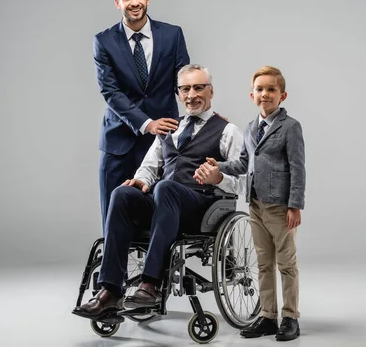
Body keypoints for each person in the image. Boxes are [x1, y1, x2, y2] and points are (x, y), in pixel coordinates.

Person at [72, 64, 244, 319]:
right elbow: (148, 169)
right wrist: (141, 181)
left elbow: (243, 181)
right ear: (178, 94)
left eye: (199, 87)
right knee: (122, 193)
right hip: (163, 203)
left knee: (165, 188)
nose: (191, 94)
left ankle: (150, 284)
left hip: (201, 207)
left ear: (211, 91)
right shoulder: (170, 129)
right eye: (185, 89)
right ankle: (110, 291)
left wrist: (219, 177)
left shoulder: (228, 131)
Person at [194, 65, 306, 341]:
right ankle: (268, 316)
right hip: (255, 204)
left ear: (283, 95)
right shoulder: (251, 127)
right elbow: (243, 163)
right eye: (260, 89)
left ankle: (290, 317)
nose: (265, 94)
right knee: (264, 263)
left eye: (271, 89)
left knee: (286, 264)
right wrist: (218, 164)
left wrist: (295, 205)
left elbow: (298, 167)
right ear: (252, 95)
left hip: (280, 206)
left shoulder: (290, 127)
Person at [95, 0, 190, 233]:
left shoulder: (172, 35)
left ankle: (153, 272)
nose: (134, 2)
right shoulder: (104, 41)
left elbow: (183, 82)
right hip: (119, 142)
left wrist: (203, 113)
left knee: (160, 214)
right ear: (118, 3)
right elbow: (110, 91)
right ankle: (115, 273)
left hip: (163, 140)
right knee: (114, 217)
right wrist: (146, 124)